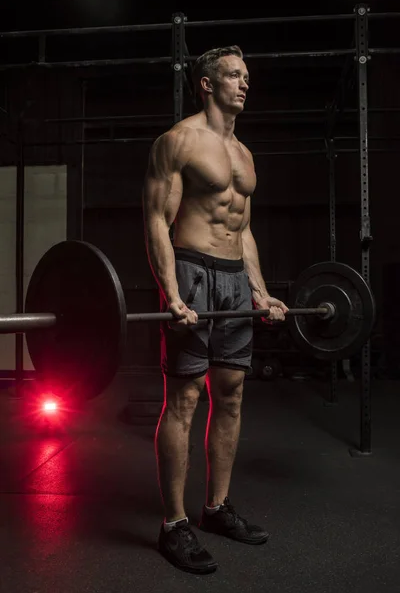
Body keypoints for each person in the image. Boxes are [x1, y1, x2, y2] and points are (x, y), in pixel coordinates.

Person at [142, 45, 289, 575]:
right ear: (207, 85)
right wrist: (172, 294)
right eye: (233, 75)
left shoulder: (245, 154)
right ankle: (174, 524)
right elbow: (158, 219)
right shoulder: (178, 141)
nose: (244, 83)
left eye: (247, 75)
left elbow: (243, 230)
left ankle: (217, 508)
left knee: (230, 394)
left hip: (232, 280)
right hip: (191, 272)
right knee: (184, 398)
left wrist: (261, 292)